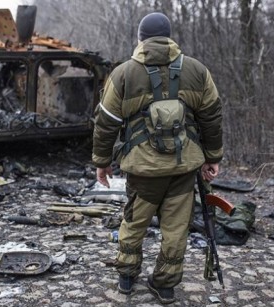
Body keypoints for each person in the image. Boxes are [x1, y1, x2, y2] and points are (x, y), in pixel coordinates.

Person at [92, 12, 223, 304]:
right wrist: (213, 156)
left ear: (140, 39)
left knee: (134, 222)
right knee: (176, 229)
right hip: (182, 168)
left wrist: (102, 161)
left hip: (142, 171)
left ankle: (127, 278)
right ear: (169, 37)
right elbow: (212, 116)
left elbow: (106, 122)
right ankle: (164, 286)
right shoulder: (197, 70)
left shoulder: (124, 73)